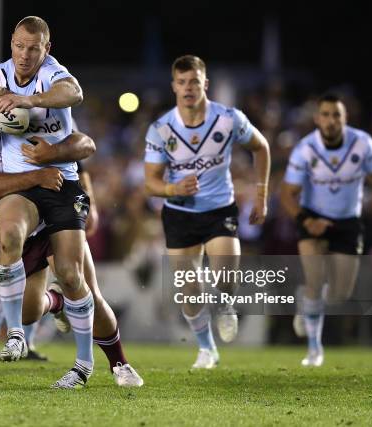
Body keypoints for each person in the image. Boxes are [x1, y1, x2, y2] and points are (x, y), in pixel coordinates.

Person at [0, 75, 143, 387]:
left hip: (54, 217)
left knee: (81, 283)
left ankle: (120, 365)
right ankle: (56, 302)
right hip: (16, 233)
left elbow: (84, 145)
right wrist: (36, 177)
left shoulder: (31, 124)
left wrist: (59, 160)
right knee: (28, 312)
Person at [0, 16, 95, 388]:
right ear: (11, 44)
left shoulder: (53, 73)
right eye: (19, 46)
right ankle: (16, 334)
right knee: (9, 238)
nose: (24, 55)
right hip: (21, 187)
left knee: (71, 275)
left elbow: (74, 93)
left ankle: (83, 365)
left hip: (61, 180)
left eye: (33, 48)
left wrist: (27, 100)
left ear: (46, 49)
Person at [144, 55, 270, 369]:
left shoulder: (229, 119)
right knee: (190, 289)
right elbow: (151, 183)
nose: (188, 88)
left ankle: (226, 303)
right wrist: (174, 189)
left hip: (219, 209)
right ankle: (206, 349)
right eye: (182, 82)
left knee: (225, 275)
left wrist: (261, 194)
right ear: (174, 85)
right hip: (180, 213)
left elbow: (261, 147)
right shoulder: (161, 129)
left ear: (205, 84)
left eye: (194, 82)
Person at [280, 93, 372, 367]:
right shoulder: (306, 149)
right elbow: (287, 194)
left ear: (345, 119)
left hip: (348, 222)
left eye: (337, 115)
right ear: (317, 118)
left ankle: (308, 303)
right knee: (314, 278)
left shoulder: (361, 144)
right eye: (326, 114)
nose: (331, 120)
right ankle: (314, 349)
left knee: (339, 294)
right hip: (313, 219)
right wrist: (305, 220)